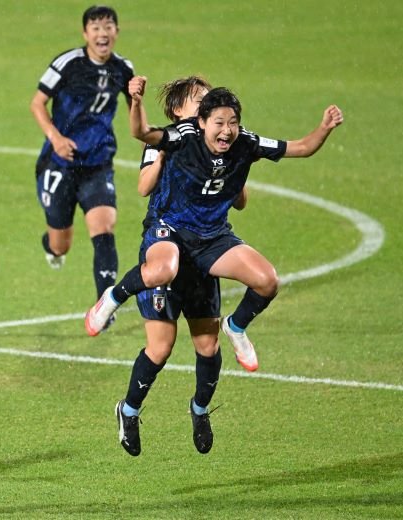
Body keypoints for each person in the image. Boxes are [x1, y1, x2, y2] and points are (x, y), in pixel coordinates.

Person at [87, 87, 344, 377]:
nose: (226, 129)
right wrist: (136, 101)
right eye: (216, 119)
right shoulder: (180, 137)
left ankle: (236, 327)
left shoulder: (243, 142)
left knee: (267, 281)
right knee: (162, 276)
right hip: (170, 229)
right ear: (199, 119)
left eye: (231, 122)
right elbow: (142, 135)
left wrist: (323, 129)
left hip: (212, 236)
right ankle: (113, 297)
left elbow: (301, 148)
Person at [110, 76, 246, 456]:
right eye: (198, 101)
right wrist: (169, 151)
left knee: (208, 345)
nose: (207, 108)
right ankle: (130, 410)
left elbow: (241, 201)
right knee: (161, 346)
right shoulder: (165, 138)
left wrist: (233, 169)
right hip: (166, 247)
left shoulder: (219, 147)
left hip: (205, 253)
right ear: (177, 111)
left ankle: (200, 410)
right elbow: (143, 186)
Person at [30, 5, 134, 301]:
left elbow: (135, 115)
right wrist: (56, 137)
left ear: (117, 31)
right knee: (61, 244)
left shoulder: (123, 69)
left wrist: (151, 149)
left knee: (104, 229)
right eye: (96, 28)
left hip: (98, 164)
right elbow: (37, 103)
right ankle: (51, 247)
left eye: (108, 27)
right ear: (85, 33)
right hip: (60, 162)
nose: (103, 33)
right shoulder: (68, 63)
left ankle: (105, 304)